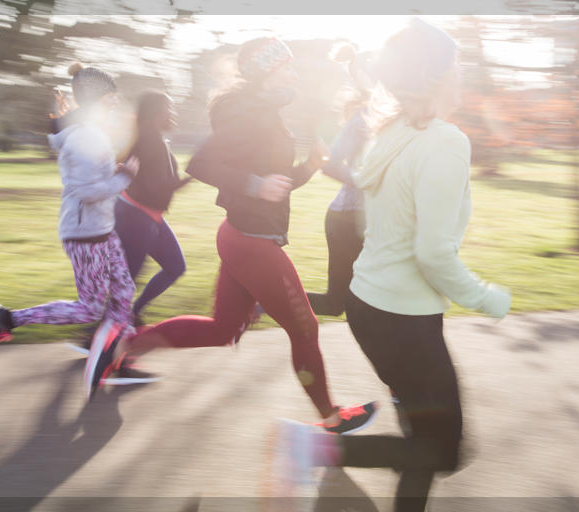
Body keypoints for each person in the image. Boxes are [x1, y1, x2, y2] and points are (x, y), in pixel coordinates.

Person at [275, 19, 512, 512]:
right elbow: (432, 253)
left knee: (421, 438)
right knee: (440, 448)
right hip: (404, 321)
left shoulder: (390, 133)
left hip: (371, 308)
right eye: (456, 62)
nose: (462, 71)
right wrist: (486, 297)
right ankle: (311, 447)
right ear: (438, 75)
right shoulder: (444, 140)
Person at [88, 36, 378, 434]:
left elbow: (278, 184)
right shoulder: (248, 112)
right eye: (287, 67)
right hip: (251, 240)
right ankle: (330, 417)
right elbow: (203, 162)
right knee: (305, 328)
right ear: (268, 71)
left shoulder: (267, 112)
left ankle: (123, 345)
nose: (294, 74)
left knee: (223, 329)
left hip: (245, 235)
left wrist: (308, 166)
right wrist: (254, 183)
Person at [0, 63, 140, 399]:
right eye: (110, 98)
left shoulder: (90, 132)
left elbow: (93, 181)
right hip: (85, 234)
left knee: (124, 289)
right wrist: (124, 178)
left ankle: (110, 354)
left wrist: (115, 172)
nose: (114, 103)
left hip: (101, 229)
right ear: (96, 100)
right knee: (91, 308)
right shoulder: (86, 136)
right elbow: (86, 191)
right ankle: (8, 319)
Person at [114, 91, 192, 325]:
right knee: (127, 281)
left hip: (148, 216)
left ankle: (133, 314)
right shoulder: (148, 141)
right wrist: (189, 178)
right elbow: (157, 188)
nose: (174, 113)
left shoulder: (153, 138)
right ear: (157, 113)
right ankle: (98, 337)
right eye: (170, 108)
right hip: (136, 218)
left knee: (175, 266)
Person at [305, 43, 372, 317]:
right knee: (337, 304)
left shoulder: (405, 116)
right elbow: (329, 165)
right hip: (347, 218)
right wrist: (365, 180)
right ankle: (261, 299)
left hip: (376, 219)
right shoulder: (362, 118)